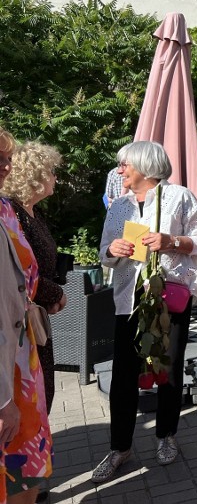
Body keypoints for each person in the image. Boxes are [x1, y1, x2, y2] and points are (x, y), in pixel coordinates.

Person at [91, 141, 197, 484]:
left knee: (169, 370)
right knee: (124, 375)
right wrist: (113, 249)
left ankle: (166, 436)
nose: (119, 170)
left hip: (168, 298)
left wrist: (172, 242)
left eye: (124, 164)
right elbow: (104, 253)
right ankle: (120, 447)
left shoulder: (180, 197)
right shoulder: (118, 207)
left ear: (144, 165)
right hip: (129, 300)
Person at [0, 126, 53, 504]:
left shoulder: (5, 211)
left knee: (27, 468)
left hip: (23, 349)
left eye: (7, 159)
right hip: (7, 364)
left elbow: (29, 275)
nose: (6, 166)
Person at [1, 141, 67, 413]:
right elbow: (21, 272)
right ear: (36, 175)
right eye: (52, 171)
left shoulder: (33, 212)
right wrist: (56, 293)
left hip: (35, 320)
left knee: (43, 398)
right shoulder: (11, 214)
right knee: (31, 404)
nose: (55, 177)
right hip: (18, 325)